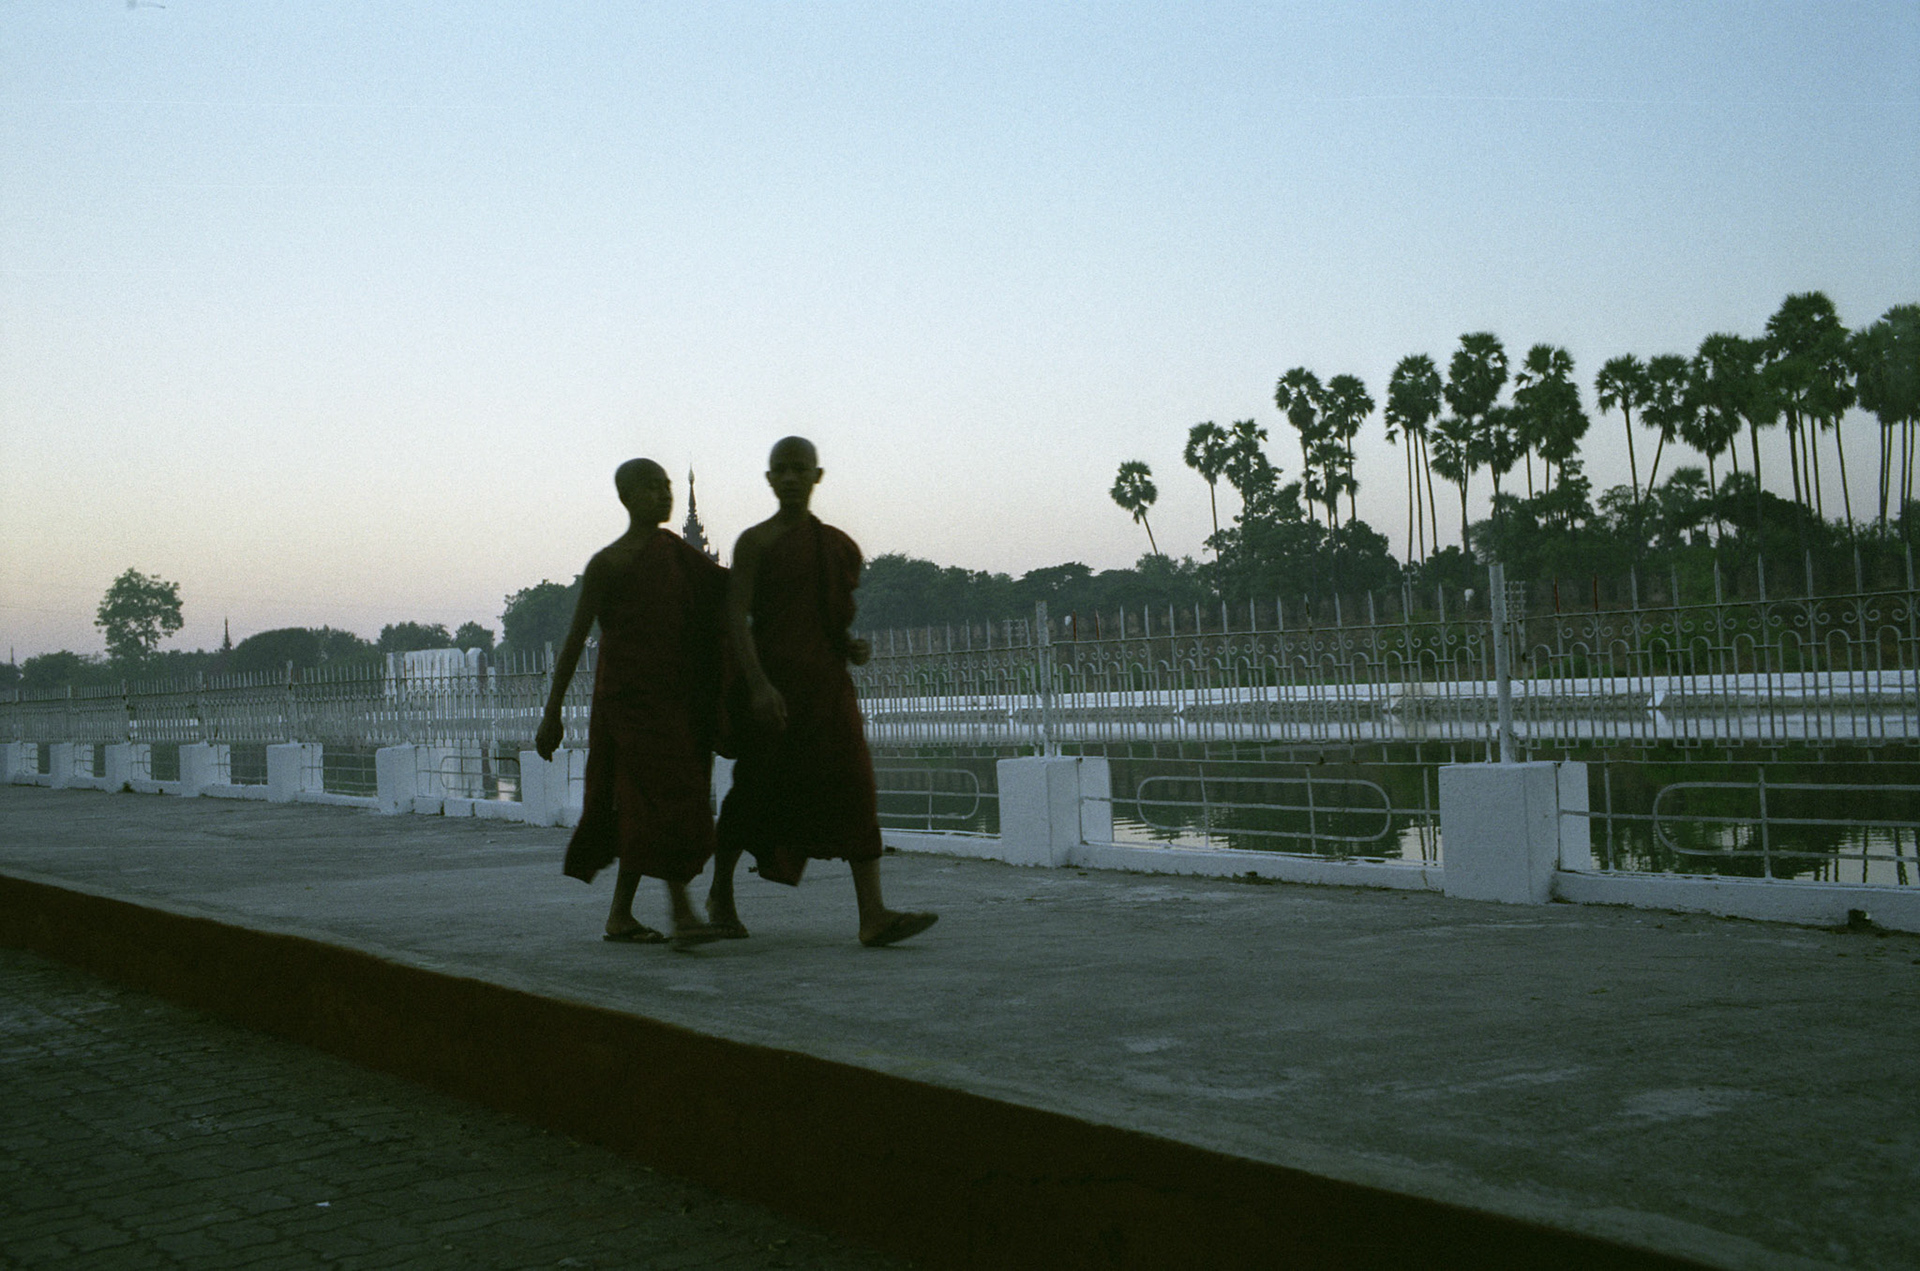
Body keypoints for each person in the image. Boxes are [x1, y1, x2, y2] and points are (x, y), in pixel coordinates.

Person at [707, 436, 937, 948]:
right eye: (780, 470)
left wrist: (849, 645)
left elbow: (824, 619)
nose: (790, 478)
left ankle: (873, 914)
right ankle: (719, 896)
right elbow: (736, 618)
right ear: (769, 480)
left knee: (855, 785)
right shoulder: (756, 542)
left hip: (827, 686)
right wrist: (758, 684)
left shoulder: (835, 545)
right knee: (754, 794)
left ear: (817, 476)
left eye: (799, 469)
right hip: (773, 690)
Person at [536, 459, 727, 952]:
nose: (663, 495)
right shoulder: (609, 563)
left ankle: (620, 914)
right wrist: (551, 710)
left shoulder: (676, 553)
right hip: (627, 700)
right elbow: (574, 640)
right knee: (655, 801)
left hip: (673, 697)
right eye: (652, 487)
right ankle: (683, 913)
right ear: (626, 496)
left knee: (647, 807)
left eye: (667, 487)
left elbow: (723, 594)